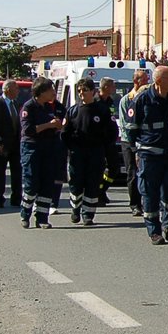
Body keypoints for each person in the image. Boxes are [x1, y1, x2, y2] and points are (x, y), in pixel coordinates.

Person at [128, 63, 168, 245]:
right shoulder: (142, 100)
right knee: (150, 194)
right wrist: (138, 151)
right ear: (160, 81)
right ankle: (154, 231)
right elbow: (132, 130)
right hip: (150, 156)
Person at [18, 78, 65, 230]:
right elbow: (28, 130)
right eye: (51, 89)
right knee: (32, 184)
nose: (53, 92)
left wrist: (57, 126)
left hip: (48, 148)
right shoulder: (29, 107)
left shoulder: (48, 108)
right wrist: (48, 125)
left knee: (47, 184)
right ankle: (25, 215)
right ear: (42, 92)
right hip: (32, 149)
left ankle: (42, 218)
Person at [64, 78, 110, 226]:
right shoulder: (72, 111)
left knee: (92, 184)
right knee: (76, 184)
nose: (81, 93)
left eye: (84, 90)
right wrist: (70, 148)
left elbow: (109, 132)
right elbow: (65, 133)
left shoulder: (102, 110)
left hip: (95, 153)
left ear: (93, 92)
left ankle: (88, 214)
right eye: (79, 91)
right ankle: (75, 209)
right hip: (77, 153)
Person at [117, 67, 151, 217]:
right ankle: (135, 204)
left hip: (145, 142)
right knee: (133, 173)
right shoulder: (127, 100)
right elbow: (126, 125)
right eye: (144, 80)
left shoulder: (148, 97)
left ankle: (146, 202)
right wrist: (133, 145)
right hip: (129, 142)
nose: (147, 82)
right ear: (136, 81)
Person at [0, 79, 23, 209]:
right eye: (16, 88)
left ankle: (16, 198)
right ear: (8, 90)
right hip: (1, 146)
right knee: (0, 174)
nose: (18, 91)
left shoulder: (16, 104)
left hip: (15, 145)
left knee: (17, 173)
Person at [96, 76, 120, 206]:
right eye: (112, 86)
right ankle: (98, 193)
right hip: (99, 142)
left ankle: (102, 189)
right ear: (106, 87)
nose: (114, 88)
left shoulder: (110, 101)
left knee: (114, 168)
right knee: (99, 169)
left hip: (110, 142)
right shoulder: (95, 102)